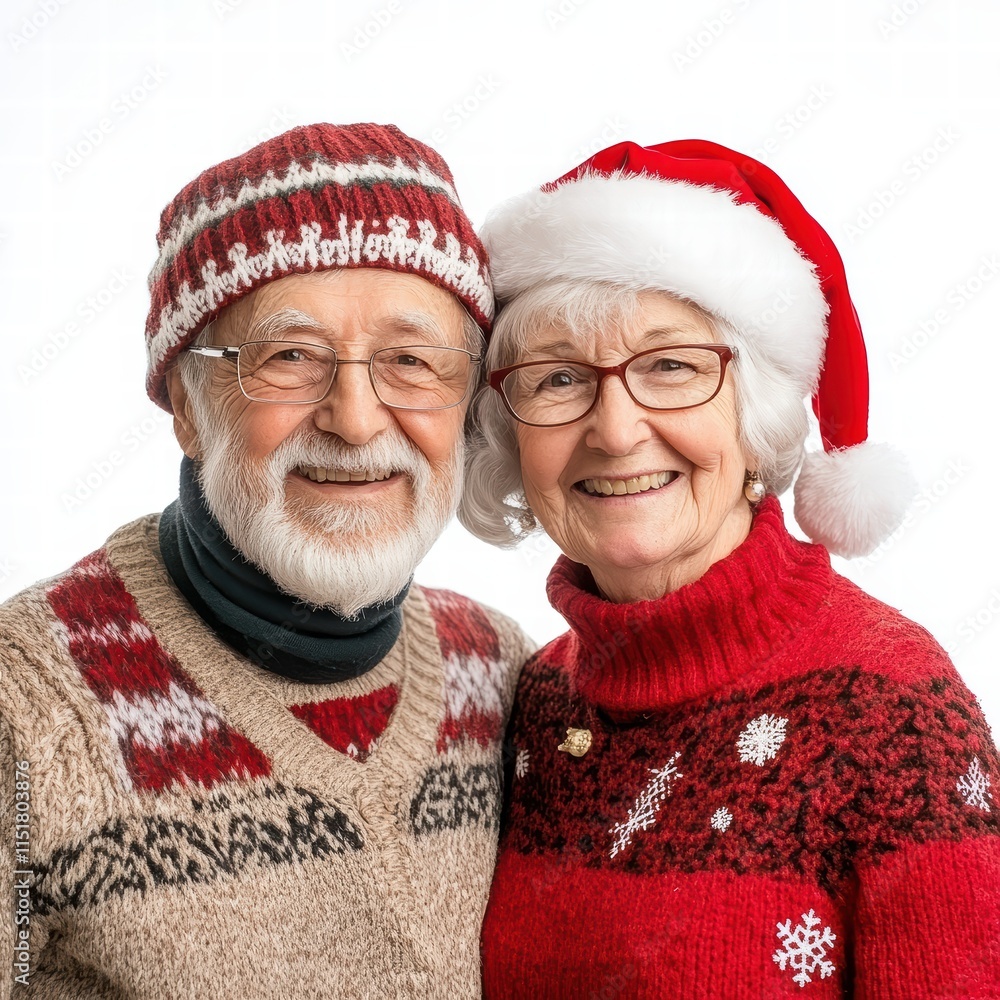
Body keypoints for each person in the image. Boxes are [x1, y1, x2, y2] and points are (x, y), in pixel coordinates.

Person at [0, 123, 533, 998]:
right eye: (290, 358)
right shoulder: (28, 706)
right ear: (185, 403)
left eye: (411, 360)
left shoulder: (499, 672)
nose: (357, 420)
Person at [462, 139, 1000, 997]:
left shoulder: (893, 709)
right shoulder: (533, 702)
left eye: (671, 367)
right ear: (508, 431)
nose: (615, 430)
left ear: (756, 411)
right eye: (559, 378)